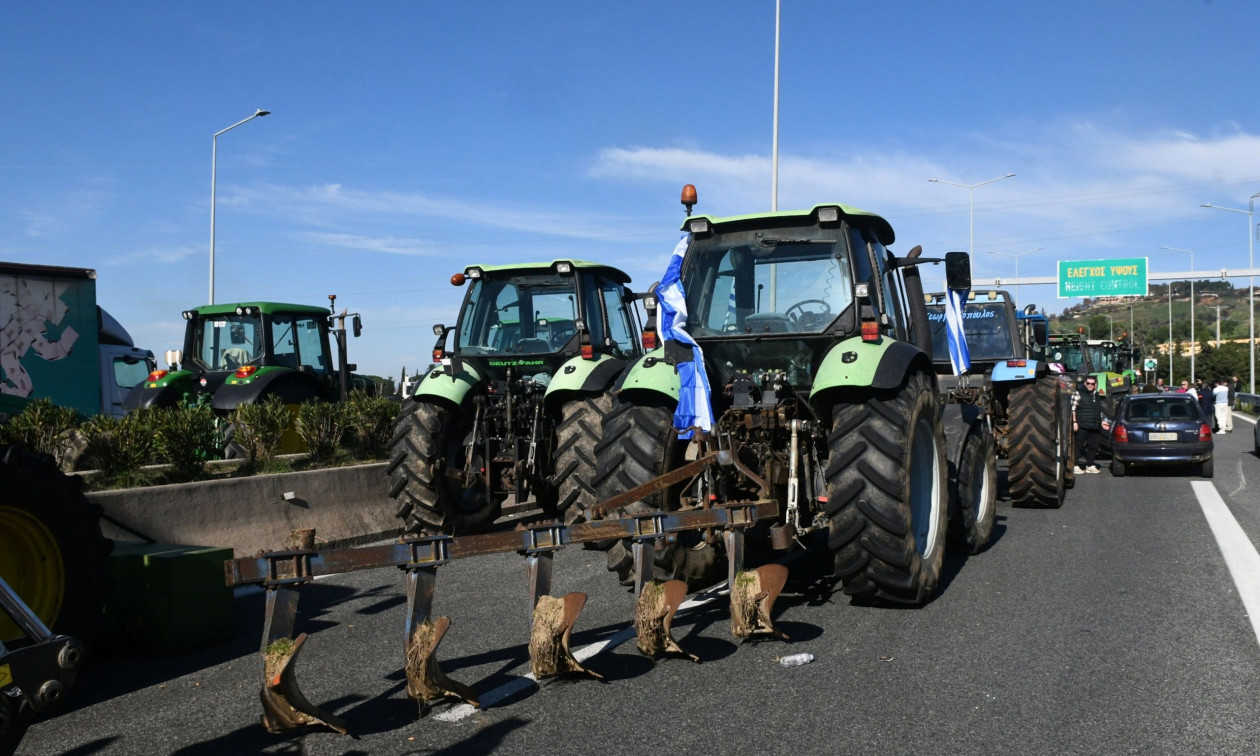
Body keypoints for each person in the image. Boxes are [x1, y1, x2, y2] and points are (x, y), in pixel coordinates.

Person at [1072, 377, 1109, 474]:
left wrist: (1101, 422)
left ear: (1095, 385)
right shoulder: (1078, 393)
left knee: (1094, 446)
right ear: (1085, 383)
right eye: (1088, 383)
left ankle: (1090, 465)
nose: (1090, 385)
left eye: (1092, 384)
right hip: (1082, 425)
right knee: (1078, 446)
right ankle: (1075, 465)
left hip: (1095, 426)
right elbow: (1073, 409)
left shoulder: (1097, 396)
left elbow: (1098, 410)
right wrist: (1074, 422)